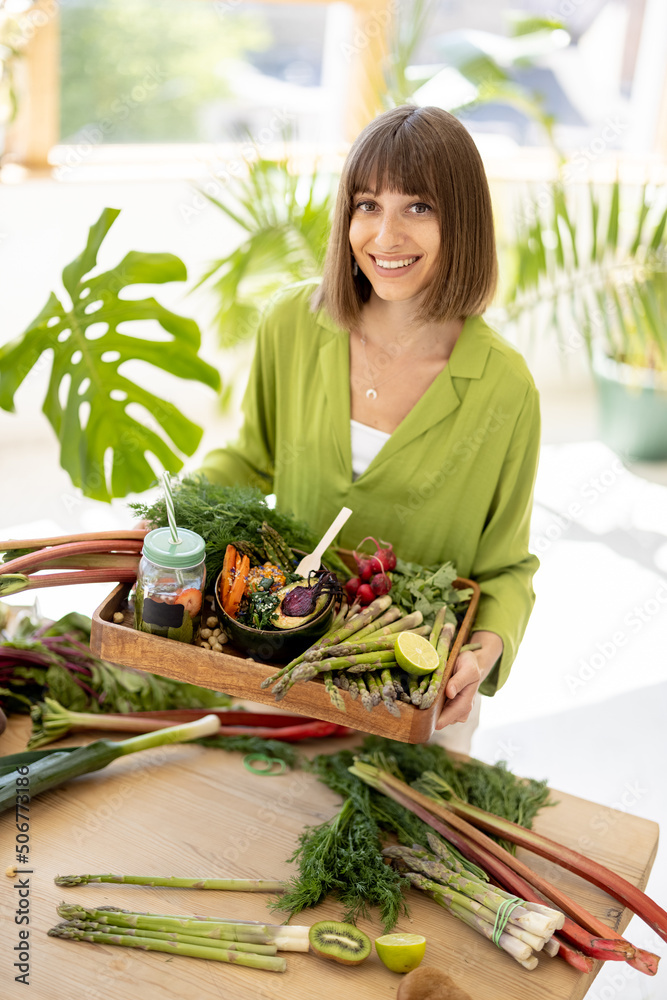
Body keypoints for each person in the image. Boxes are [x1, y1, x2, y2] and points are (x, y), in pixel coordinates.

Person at [200, 105, 541, 751]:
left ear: (462, 221)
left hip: (410, 692)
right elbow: (250, 460)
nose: (385, 235)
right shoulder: (292, 324)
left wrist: (485, 650)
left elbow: (505, 569)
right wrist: (172, 514)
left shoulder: (504, 386)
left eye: (418, 207)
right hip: (279, 663)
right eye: (366, 204)